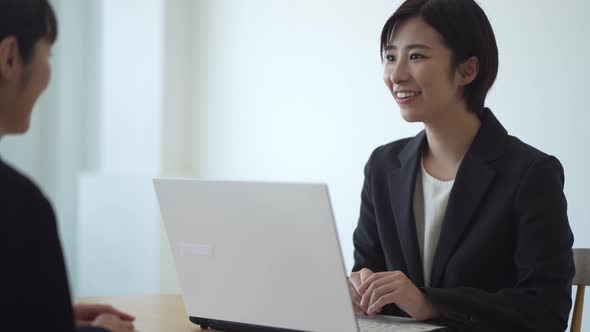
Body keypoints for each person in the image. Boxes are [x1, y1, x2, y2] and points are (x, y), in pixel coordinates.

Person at [347, 0, 575, 331]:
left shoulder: (531, 173)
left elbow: (546, 311)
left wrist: (429, 303)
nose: (395, 75)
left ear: (467, 70)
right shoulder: (382, 167)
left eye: (416, 56)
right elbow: (369, 277)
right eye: (390, 57)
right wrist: (359, 291)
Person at [0, 0, 136, 331]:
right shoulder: (20, 206)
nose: (49, 71)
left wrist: (47, 315)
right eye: (49, 54)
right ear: (9, 57)